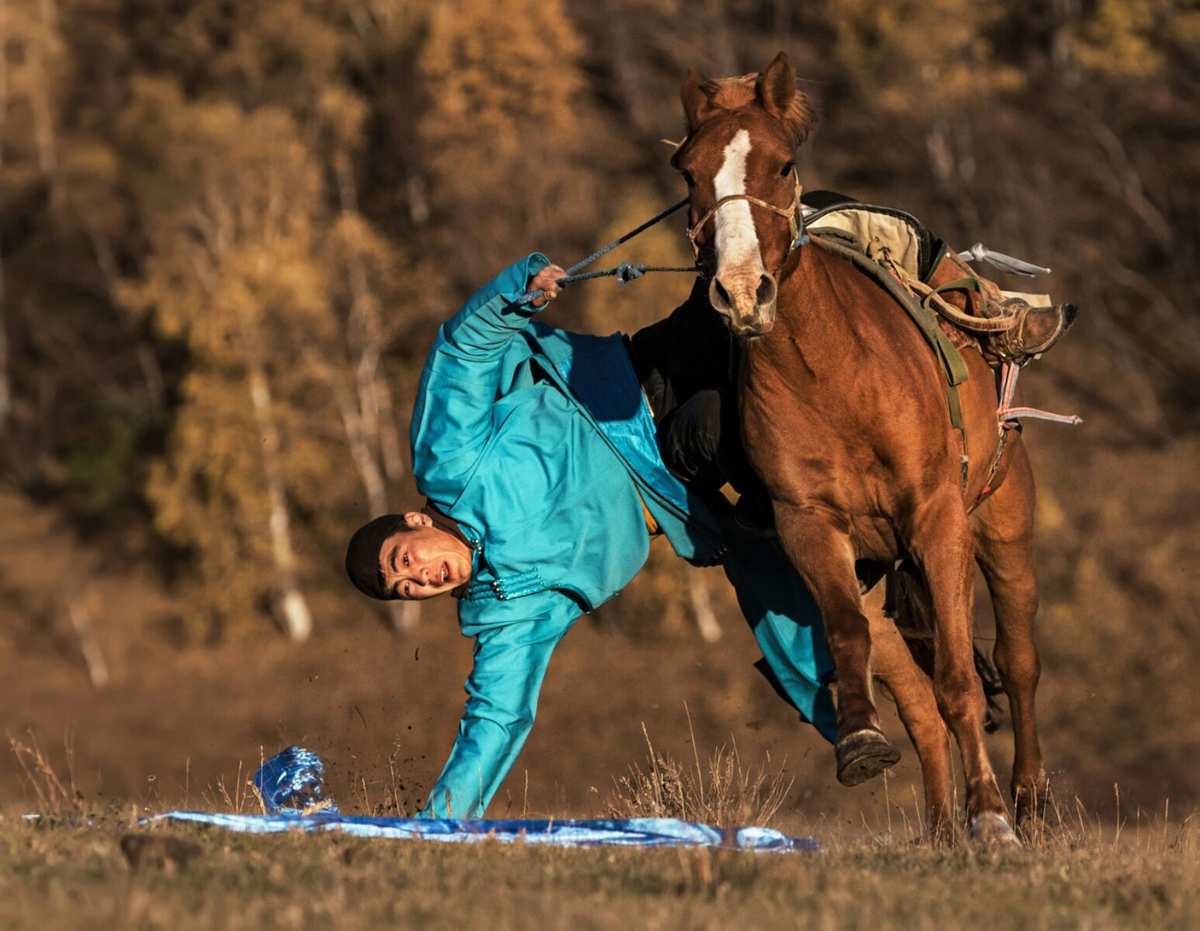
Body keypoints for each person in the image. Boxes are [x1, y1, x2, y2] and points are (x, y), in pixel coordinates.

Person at [344, 253, 835, 819]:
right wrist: (437, 824)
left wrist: (516, 294)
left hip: (636, 373)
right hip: (673, 473)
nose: (421, 578)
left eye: (405, 561)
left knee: (746, 289)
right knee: (733, 422)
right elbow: (497, 719)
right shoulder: (508, 615)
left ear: (416, 521)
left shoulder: (448, 462)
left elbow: (461, 354)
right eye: (408, 589)